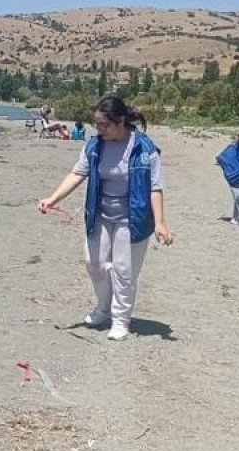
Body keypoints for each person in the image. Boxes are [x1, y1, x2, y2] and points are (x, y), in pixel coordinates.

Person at [37, 96, 174, 341]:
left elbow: (155, 186)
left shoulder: (144, 147)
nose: (99, 130)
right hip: (99, 214)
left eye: (104, 125)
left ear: (120, 121)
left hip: (133, 218)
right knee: (94, 264)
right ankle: (103, 308)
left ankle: (121, 320)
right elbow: (77, 173)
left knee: (124, 271)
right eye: (96, 125)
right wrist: (53, 198)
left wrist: (160, 223)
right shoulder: (94, 145)